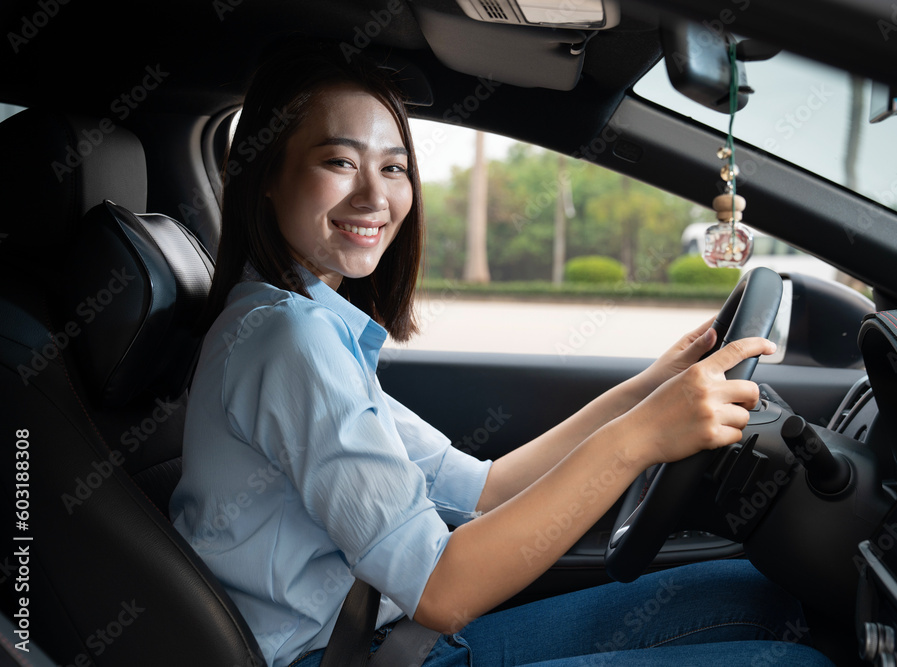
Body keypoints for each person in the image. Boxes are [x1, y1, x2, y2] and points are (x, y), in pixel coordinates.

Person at [169, 42, 834, 667]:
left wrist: (647, 388)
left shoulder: (295, 328)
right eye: (339, 161)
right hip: (355, 653)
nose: (376, 196)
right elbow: (441, 588)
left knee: (750, 593)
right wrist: (641, 438)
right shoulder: (290, 341)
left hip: (395, 641)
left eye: (394, 166)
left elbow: (483, 489)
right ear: (265, 175)